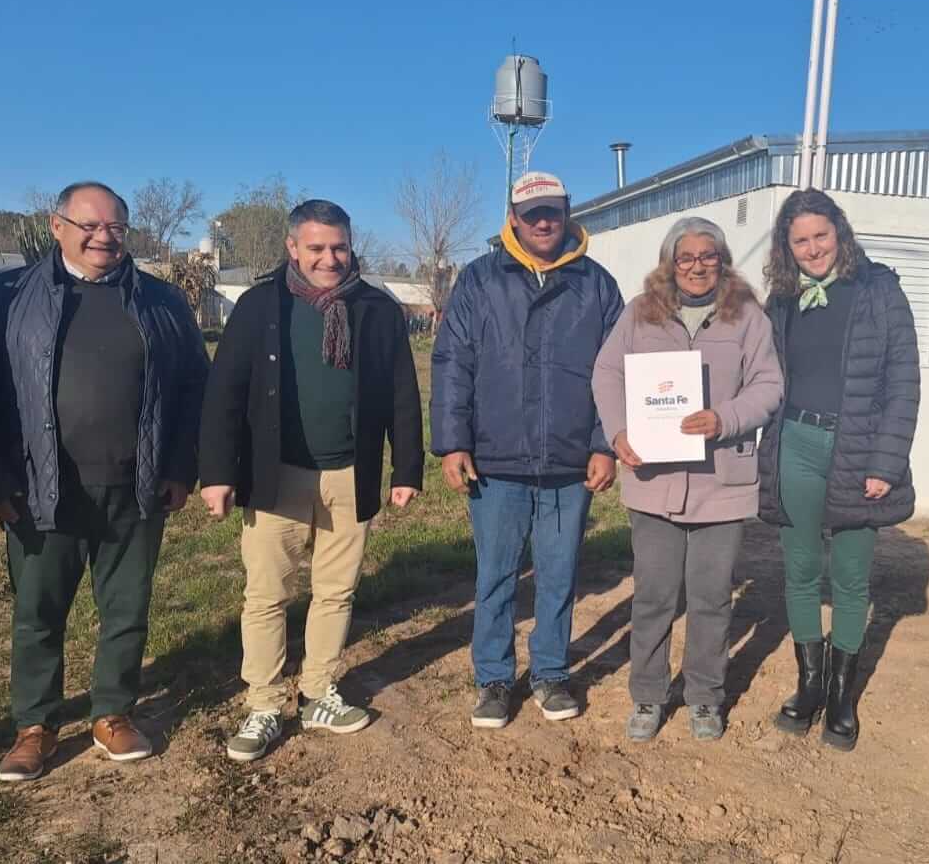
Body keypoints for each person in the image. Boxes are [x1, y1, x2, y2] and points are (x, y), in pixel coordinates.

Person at [0, 182, 208, 782]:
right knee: (37, 612)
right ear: (56, 226)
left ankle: (113, 711)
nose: (104, 237)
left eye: (116, 228)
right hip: (37, 490)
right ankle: (35, 725)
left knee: (127, 608)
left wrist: (181, 467)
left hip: (136, 485)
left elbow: (191, 390)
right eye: (90, 225)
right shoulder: (7, 297)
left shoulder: (160, 301)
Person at [200, 200, 423, 762]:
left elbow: (402, 393)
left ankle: (319, 689)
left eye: (339, 247)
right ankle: (266, 702)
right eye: (317, 248)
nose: (329, 259)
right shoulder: (258, 307)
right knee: (266, 594)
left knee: (336, 590)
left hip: (350, 473)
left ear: (352, 247)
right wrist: (218, 474)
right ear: (292, 248)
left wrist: (407, 469)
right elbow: (223, 396)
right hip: (276, 475)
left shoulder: (376, 309)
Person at [431, 171, 623, 729]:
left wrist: (604, 444)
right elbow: (452, 363)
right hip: (496, 460)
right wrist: (453, 443)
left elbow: (616, 373)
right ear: (513, 217)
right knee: (495, 572)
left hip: (569, 462)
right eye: (532, 212)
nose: (543, 221)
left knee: (560, 572)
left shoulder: (597, 285)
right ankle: (493, 678)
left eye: (553, 211)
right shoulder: (480, 281)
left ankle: (551, 672)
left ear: (568, 213)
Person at [592, 217, 783, 742]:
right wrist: (618, 431)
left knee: (710, 597)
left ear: (722, 259)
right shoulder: (640, 314)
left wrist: (727, 417)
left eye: (708, 255)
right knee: (653, 595)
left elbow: (769, 384)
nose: (697, 266)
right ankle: (649, 695)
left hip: (722, 483)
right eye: (686, 257)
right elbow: (607, 373)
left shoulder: (747, 315)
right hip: (655, 480)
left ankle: (704, 696)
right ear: (669, 262)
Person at [757, 189, 920, 750]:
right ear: (787, 247)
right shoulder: (780, 299)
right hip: (795, 443)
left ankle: (843, 695)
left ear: (840, 233)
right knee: (801, 570)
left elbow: (904, 384)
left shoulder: (879, 290)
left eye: (820, 235)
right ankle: (809, 684)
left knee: (851, 577)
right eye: (799, 240)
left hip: (857, 450)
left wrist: (887, 462)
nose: (812, 248)